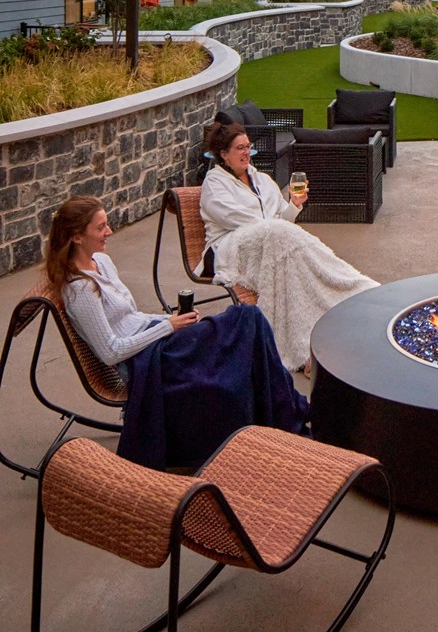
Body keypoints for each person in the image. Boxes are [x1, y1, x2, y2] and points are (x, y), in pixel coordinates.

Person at [49, 196, 308, 471]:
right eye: (100, 228)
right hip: (149, 361)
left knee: (247, 321)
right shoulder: (80, 290)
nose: (109, 232)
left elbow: (132, 317)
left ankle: (282, 409)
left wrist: (172, 319)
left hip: (159, 338)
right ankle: (284, 411)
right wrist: (168, 327)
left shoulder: (101, 261)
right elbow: (111, 350)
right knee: (245, 322)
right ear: (77, 236)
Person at [201, 121, 378, 371]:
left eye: (248, 147)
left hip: (271, 243)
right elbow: (231, 218)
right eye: (239, 148)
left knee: (297, 267)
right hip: (229, 248)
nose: (245, 153)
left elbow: (282, 221)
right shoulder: (214, 182)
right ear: (223, 154)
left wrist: (294, 204)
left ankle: (343, 290)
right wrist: (273, 226)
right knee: (281, 235)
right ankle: (301, 341)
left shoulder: (262, 180)